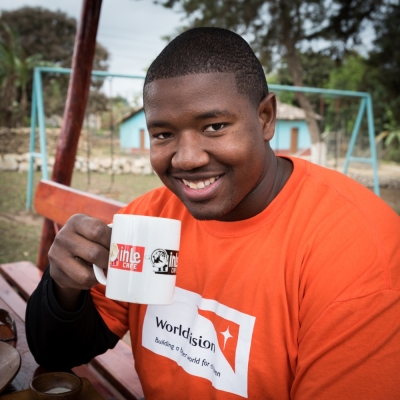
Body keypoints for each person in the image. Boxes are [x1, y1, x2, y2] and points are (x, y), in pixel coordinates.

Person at [26, 27, 400, 399]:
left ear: (266, 118)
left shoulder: (358, 253)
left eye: (215, 126)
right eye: (163, 134)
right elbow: (58, 354)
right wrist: (62, 289)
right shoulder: (150, 222)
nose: (187, 158)